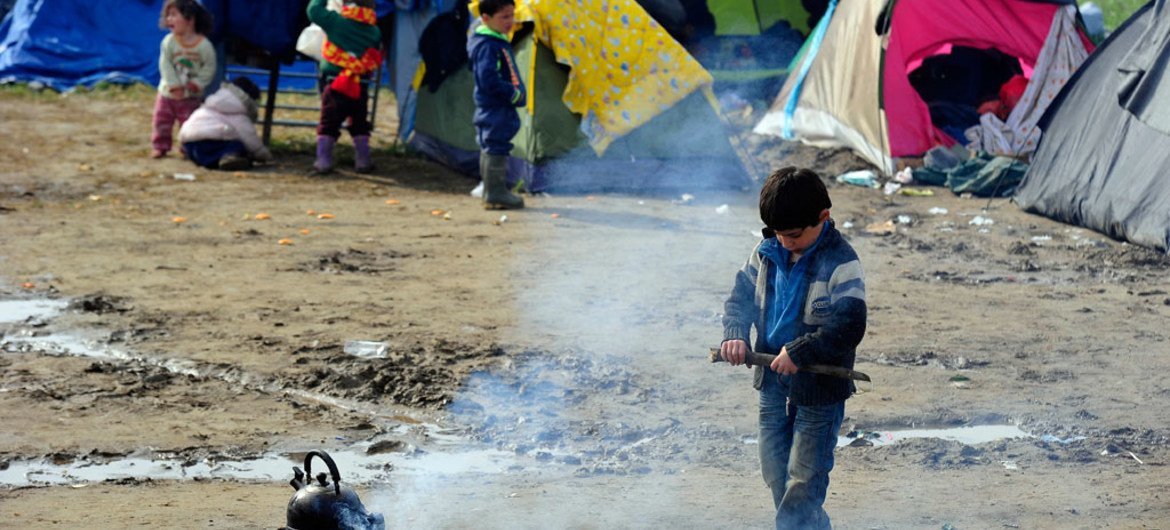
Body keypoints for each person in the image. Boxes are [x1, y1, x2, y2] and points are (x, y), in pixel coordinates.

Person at [720, 166, 867, 530]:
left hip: (819, 389)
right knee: (775, 473)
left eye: (795, 235)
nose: (785, 242)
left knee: (803, 481)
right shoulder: (766, 251)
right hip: (771, 385)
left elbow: (849, 326)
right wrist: (735, 333)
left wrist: (800, 352)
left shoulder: (842, 261)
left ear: (823, 217)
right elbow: (739, 299)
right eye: (778, 233)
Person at [307, 0, 382, 174]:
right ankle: (363, 161)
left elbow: (313, 10)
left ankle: (323, 161)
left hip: (336, 85)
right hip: (359, 86)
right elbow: (375, 51)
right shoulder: (374, 31)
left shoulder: (336, 22)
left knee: (328, 123)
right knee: (359, 123)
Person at [468, 0, 525, 209]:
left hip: (496, 105)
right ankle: (495, 192)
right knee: (495, 144)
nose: (510, 21)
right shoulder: (488, 45)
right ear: (485, 18)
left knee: (492, 144)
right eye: (504, 17)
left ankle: (492, 191)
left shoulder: (496, 40)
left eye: (512, 15)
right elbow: (488, 79)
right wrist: (512, 94)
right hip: (495, 105)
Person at [152, 0, 216, 159]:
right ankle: (160, 146)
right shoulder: (169, 42)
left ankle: (186, 147)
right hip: (167, 94)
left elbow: (209, 68)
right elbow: (165, 64)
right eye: (167, 16)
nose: (169, 20)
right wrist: (173, 85)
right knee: (162, 121)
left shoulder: (204, 46)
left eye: (174, 15)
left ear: (190, 19)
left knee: (188, 123)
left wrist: (197, 84)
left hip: (190, 96)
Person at [178, 76, 273, 171]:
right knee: (239, 145)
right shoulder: (238, 113)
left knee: (206, 152)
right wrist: (263, 155)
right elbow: (249, 137)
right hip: (214, 144)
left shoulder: (208, 105)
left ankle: (206, 160)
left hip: (190, 145)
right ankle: (229, 157)